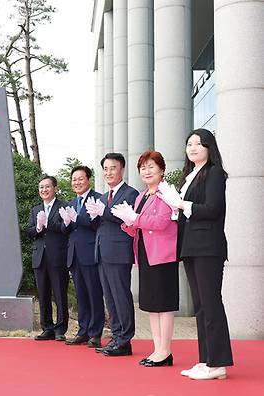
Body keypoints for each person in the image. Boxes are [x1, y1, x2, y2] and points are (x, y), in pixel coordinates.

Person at [157, 128, 233, 380]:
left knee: (210, 304)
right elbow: (188, 212)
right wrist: (176, 209)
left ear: (209, 147)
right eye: (189, 144)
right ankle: (205, 360)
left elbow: (213, 209)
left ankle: (218, 363)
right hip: (191, 246)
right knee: (201, 306)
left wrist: (182, 204)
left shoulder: (213, 174)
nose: (193, 148)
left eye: (199, 144)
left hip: (208, 248)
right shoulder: (190, 176)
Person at [112, 151, 178, 367]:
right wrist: (127, 222)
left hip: (163, 254)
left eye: (151, 167)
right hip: (145, 253)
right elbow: (138, 227)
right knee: (151, 304)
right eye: (143, 168)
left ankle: (165, 351)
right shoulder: (142, 196)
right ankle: (157, 349)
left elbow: (161, 223)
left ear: (161, 170)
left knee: (164, 303)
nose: (147, 171)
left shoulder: (166, 193)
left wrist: (136, 218)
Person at [86, 152, 139, 356]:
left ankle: (125, 340)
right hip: (102, 251)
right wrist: (92, 215)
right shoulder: (101, 197)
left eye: (113, 168)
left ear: (122, 169)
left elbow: (124, 219)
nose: (108, 172)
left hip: (118, 252)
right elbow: (98, 224)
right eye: (105, 169)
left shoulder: (130, 193)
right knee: (109, 297)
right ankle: (116, 337)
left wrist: (102, 212)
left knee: (121, 296)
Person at [60, 166, 105, 348]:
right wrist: (65, 221)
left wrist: (75, 218)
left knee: (94, 294)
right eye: (74, 179)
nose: (76, 182)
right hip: (75, 255)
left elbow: (95, 224)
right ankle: (83, 331)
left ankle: (95, 333)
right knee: (81, 296)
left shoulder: (97, 199)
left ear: (88, 180)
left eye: (80, 179)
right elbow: (66, 230)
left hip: (90, 254)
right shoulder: (71, 203)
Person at [26, 176, 69, 341]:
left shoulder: (63, 207)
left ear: (55, 188)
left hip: (58, 256)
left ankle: (60, 329)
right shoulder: (35, 209)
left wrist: (48, 225)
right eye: (41, 187)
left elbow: (67, 229)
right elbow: (29, 231)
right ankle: (47, 328)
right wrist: (37, 228)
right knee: (43, 294)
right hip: (39, 257)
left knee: (59, 294)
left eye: (47, 187)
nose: (44, 190)